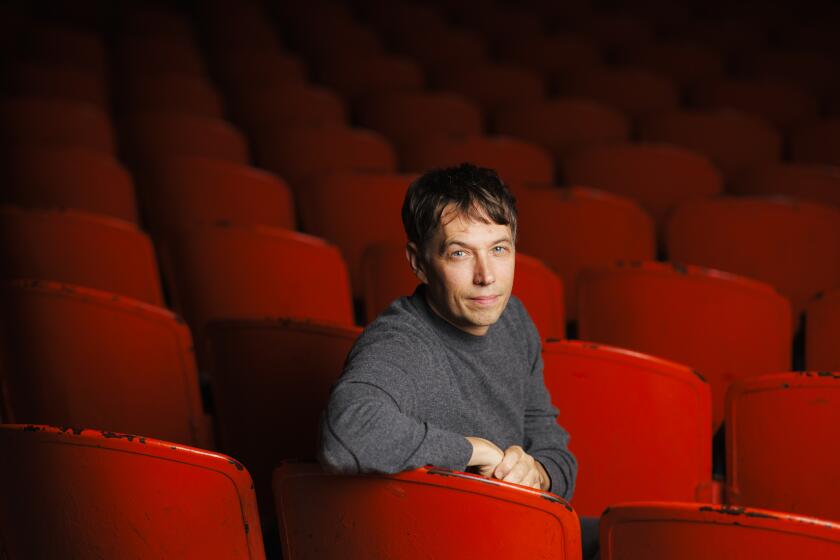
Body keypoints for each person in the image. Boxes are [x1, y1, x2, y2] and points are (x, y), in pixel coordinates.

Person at [319, 163, 598, 559]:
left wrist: (538, 472)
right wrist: (474, 452)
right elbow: (345, 433)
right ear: (418, 262)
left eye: (499, 249)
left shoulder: (514, 319)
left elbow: (552, 442)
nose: (486, 276)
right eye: (460, 253)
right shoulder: (400, 342)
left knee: (631, 536)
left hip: (507, 528)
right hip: (439, 540)